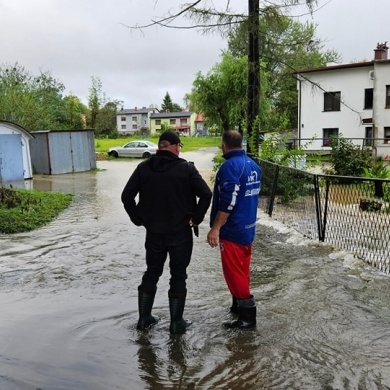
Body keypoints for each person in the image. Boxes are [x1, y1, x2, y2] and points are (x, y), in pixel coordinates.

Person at [121, 131, 212, 334]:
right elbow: (206, 194)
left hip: (153, 233)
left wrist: (138, 219)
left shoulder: (143, 168)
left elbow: (126, 196)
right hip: (180, 233)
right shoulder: (186, 169)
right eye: (179, 146)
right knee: (178, 275)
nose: (180, 150)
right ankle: (176, 323)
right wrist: (196, 219)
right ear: (174, 146)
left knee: (151, 273)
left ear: (160, 147)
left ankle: (144, 319)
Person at [207, 130, 261, 329]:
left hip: (233, 230)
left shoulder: (230, 167)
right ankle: (238, 309)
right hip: (248, 228)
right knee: (243, 270)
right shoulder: (253, 165)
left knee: (233, 273)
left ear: (224, 146)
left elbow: (228, 201)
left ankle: (247, 318)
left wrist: (215, 228)